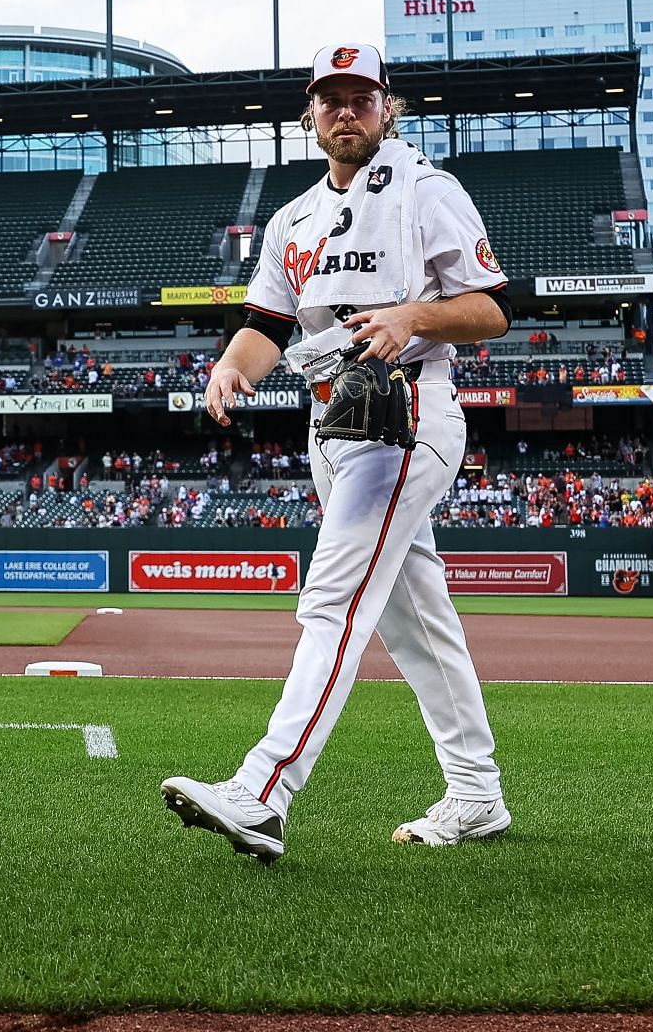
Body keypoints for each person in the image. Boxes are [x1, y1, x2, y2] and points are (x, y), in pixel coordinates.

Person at [162, 42, 515, 864]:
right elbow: (266, 328)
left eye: (361, 96)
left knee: (332, 602)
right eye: (331, 98)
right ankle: (476, 793)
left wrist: (414, 317)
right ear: (310, 114)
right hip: (332, 426)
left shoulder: (428, 191)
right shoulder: (293, 219)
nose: (346, 110)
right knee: (418, 622)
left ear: (387, 107)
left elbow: (493, 310)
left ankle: (262, 792)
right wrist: (228, 366)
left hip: (406, 416)